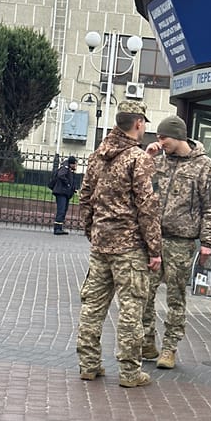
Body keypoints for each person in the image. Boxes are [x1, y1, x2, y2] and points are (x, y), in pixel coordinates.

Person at [76, 99, 162, 388]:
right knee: (131, 310)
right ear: (138, 123)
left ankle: (88, 365)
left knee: (92, 307)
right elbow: (147, 208)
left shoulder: (98, 155)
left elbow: (85, 197)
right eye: (145, 122)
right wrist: (155, 249)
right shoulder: (138, 159)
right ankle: (129, 372)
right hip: (130, 248)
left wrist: (92, 230)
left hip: (101, 244)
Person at [142, 115, 211, 369]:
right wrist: (148, 157)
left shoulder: (205, 166)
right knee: (144, 292)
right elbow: (140, 188)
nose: (159, 141)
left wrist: (207, 242)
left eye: (162, 137)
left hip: (182, 242)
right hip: (153, 239)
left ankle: (170, 347)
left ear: (177, 136)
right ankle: (147, 340)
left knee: (176, 297)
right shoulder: (158, 162)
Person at [52, 156, 78, 235]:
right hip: (61, 193)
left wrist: (73, 189)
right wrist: (68, 184)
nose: (76, 166)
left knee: (64, 210)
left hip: (65, 193)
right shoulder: (65, 168)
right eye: (75, 164)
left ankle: (60, 227)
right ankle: (57, 229)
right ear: (72, 164)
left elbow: (71, 180)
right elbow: (61, 175)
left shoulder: (69, 169)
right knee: (61, 210)